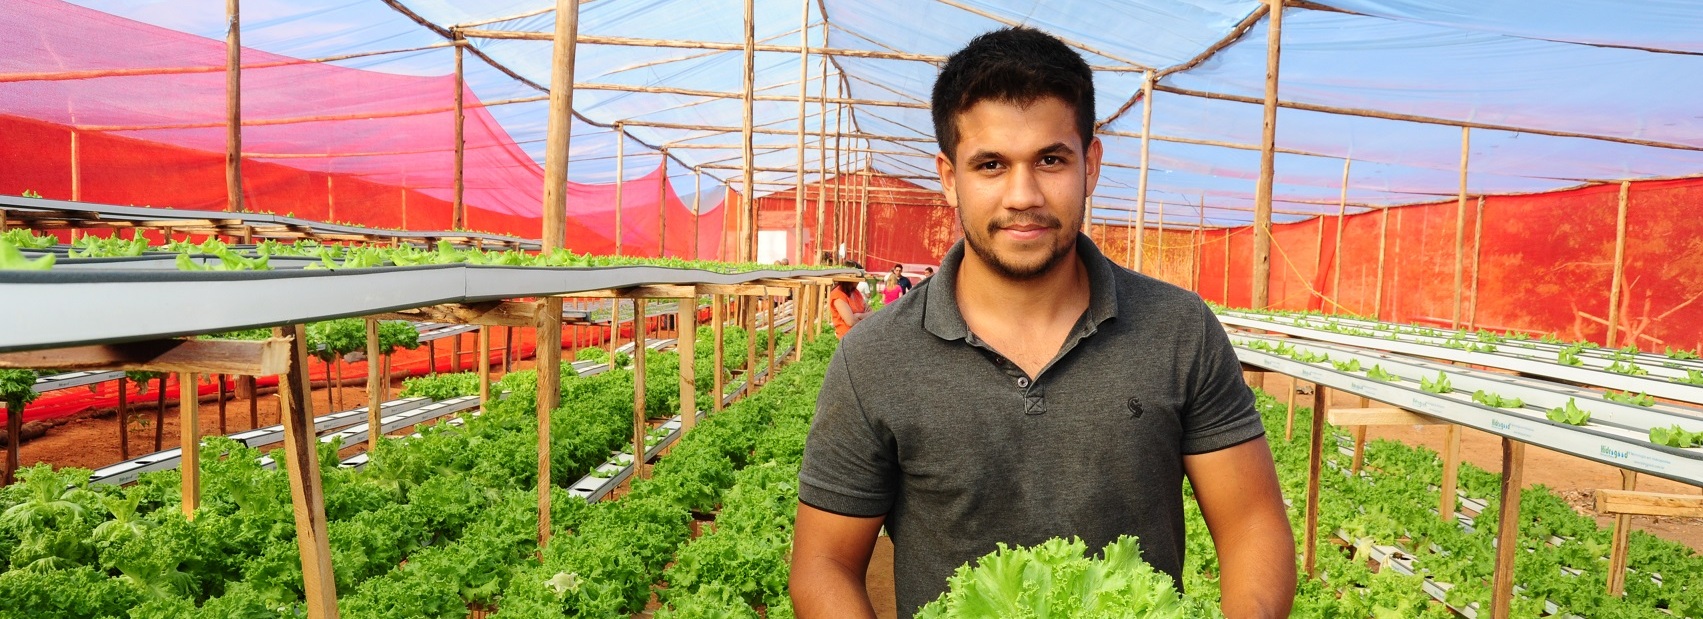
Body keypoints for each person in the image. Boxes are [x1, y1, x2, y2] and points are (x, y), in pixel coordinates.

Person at [790, 27, 1296, 619]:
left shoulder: (1180, 331)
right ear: (950, 178)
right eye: (991, 165)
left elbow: (1252, 524)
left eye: (1050, 160)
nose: (1022, 195)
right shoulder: (876, 357)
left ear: (1092, 164)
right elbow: (824, 564)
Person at [830, 262, 873, 338]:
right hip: (848, 338)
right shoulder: (838, 294)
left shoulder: (855, 292)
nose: (859, 281)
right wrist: (866, 317)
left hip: (860, 335)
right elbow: (850, 322)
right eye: (858, 277)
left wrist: (859, 315)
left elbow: (872, 313)